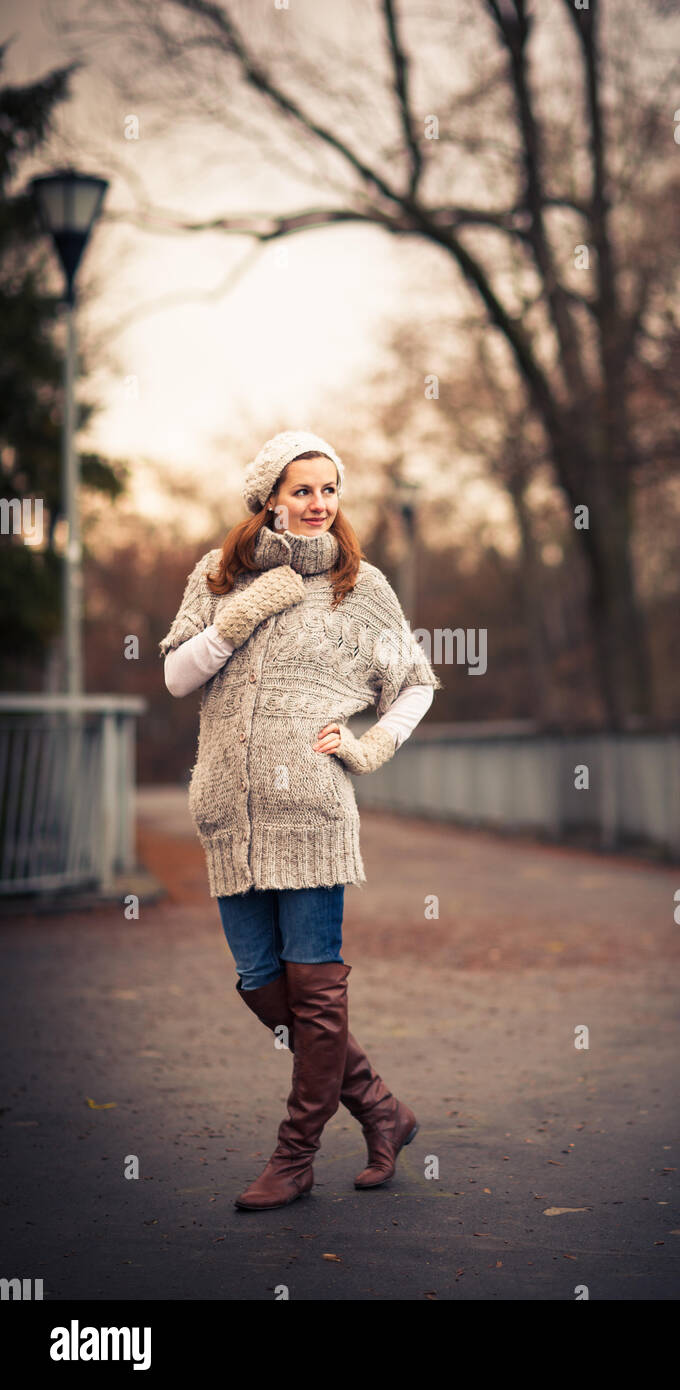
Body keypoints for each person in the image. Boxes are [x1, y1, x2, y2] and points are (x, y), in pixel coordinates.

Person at [157, 429, 441, 1211]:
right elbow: (179, 677)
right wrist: (241, 612)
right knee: (260, 983)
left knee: (315, 993)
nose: (319, 504)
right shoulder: (218, 576)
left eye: (329, 490)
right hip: (226, 812)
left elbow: (415, 683)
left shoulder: (361, 587)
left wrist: (370, 742)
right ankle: (382, 1109)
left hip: (312, 812)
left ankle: (295, 1157)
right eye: (302, 489)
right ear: (269, 499)